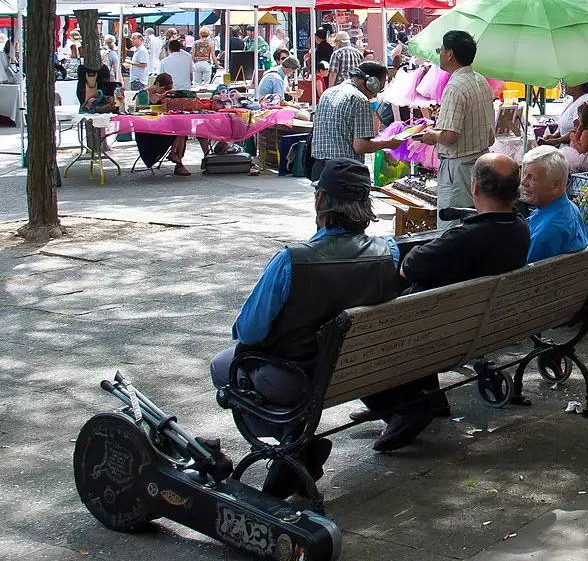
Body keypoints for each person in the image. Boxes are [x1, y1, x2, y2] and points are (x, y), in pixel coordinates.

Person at [210, 159, 402, 498]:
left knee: (223, 365)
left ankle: (294, 445)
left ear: (320, 201)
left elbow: (247, 332)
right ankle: (297, 446)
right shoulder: (389, 252)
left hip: (297, 377)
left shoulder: (292, 260)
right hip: (360, 370)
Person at [349, 153, 530, 452]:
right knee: (427, 305)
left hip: (435, 330)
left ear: (475, 187)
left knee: (362, 332)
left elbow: (408, 267)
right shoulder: (519, 227)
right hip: (473, 326)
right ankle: (427, 395)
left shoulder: (465, 238)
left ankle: (403, 404)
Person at [421, 30, 494, 227]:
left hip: (459, 167)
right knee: (475, 223)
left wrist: (432, 135)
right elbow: (490, 135)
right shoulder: (480, 80)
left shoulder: (455, 87)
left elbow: (450, 136)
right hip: (479, 162)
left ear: (450, 54)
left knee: (453, 228)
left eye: (441, 50)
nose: (440, 54)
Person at [310, 60, 401, 179]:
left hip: (319, 167)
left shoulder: (328, 93)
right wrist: (389, 143)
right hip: (344, 171)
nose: (375, 95)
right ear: (371, 82)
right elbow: (361, 146)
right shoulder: (359, 100)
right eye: (379, 88)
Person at [540, 82, 588, 146]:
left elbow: (578, 131)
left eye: (568, 82)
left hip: (577, 152)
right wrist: (555, 136)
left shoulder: (584, 102)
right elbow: (568, 127)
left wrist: (557, 140)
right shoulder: (574, 100)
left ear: (578, 85)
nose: (564, 85)